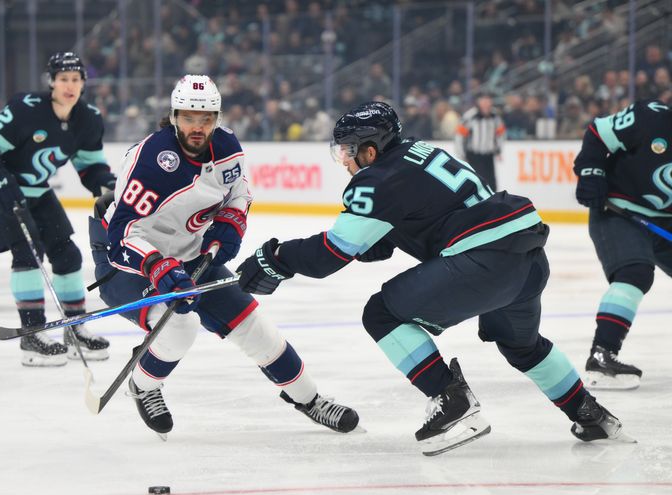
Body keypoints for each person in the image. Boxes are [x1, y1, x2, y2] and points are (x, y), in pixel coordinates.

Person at [237, 101, 629, 456]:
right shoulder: (421, 153)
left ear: (369, 150)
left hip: (484, 262)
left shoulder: (376, 180)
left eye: (347, 151)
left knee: (381, 314)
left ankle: (451, 400)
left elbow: (329, 256)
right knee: (522, 347)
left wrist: (275, 257)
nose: (344, 161)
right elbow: (396, 233)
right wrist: (359, 244)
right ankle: (588, 412)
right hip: (526, 259)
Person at [90, 74, 358, 437]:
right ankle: (144, 384)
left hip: (189, 257)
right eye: (188, 118)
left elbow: (239, 192)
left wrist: (231, 223)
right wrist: (158, 266)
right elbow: (123, 235)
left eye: (205, 119)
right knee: (181, 324)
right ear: (173, 116)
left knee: (254, 328)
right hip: (126, 264)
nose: (197, 128)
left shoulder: (228, 146)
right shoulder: (151, 161)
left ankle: (309, 399)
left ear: (216, 117)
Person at [0, 52, 115, 367]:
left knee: (67, 254)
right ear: (51, 82)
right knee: (28, 253)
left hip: (36, 190)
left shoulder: (88, 118)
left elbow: (90, 166)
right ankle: (32, 334)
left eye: (75, 79)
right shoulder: (25, 110)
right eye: (63, 79)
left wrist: (106, 188)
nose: (69, 85)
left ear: (83, 83)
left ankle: (73, 329)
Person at [573, 99, 672, 390]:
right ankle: (602, 355)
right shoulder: (649, 117)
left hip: (665, 220)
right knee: (635, 273)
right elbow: (597, 133)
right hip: (619, 210)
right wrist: (591, 171)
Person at [454, 93, 505, 190]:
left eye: (488, 100)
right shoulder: (470, 116)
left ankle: (491, 204)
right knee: (476, 183)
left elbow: (500, 133)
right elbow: (459, 137)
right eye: (483, 100)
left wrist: (498, 150)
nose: (486, 103)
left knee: (491, 185)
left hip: (488, 156)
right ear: (478, 102)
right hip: (473, 156)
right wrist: (461, 155)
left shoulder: (495, 116)